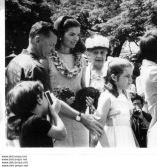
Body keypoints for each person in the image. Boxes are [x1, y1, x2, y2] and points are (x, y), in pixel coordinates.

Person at [5, 21, 103, 147]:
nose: (52, 49)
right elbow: (51, 100)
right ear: (38, 39)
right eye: (51, 45)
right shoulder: (35, 67)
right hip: (33, 133)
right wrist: (81, 117)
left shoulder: (14, 61)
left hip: (14, 130)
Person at [42, 16, 93, 147]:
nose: (76, 38)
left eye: (78, 35)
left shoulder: (81, 59)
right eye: (71, 34)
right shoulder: (48, 59)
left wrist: (89, 99)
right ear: (60, 34)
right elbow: (46, 92)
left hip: (80, 119)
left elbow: (83, 87)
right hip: (58, 117)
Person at [7, 81, 66, 147]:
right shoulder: (35, 120)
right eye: (44, 96)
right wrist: (55, 113)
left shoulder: (26, 121)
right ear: (39, 100)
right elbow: (62, 134)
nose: (47, 100)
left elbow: (49, 140)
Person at [95, 58, 138, 147]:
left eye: (131, 76)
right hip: (112, 140)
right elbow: (99, 128)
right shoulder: (107, 97)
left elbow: (128, 125)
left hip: (127, 140)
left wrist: (136, 145)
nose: (131, 80)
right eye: (127, 76)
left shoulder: (126, 96)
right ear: (114, 77)